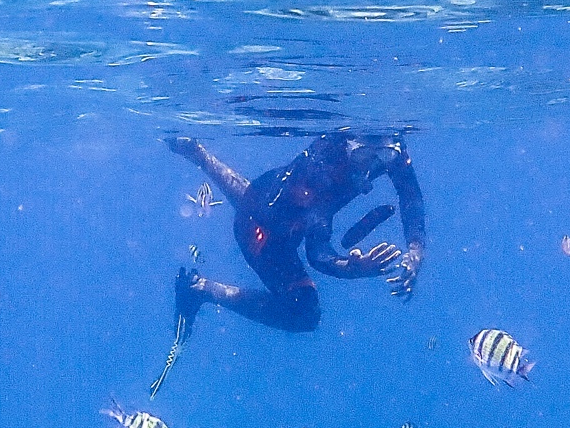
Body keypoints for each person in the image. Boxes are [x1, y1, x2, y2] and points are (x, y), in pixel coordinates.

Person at [168, 130, 425, 334]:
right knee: (304, 313)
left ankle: (199, 154)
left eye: (386, 156)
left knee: (264, 204)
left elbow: (410, 194)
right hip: (261, 232)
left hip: (266, 193)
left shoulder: (387, 145)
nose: (371, 166)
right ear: (348, 145)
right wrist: (350, 267)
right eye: (363, 155)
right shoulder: (320, 170)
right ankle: (201, 289)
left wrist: (416, 249)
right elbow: (317, 252)